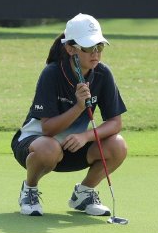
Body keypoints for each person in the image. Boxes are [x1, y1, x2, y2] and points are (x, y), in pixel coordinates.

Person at [11, 13, 128, 216]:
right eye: (89, 48)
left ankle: (84, 194)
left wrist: (85, 136)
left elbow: (115, 122)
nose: (96, 54)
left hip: (74, 145)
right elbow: (47, 129)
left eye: (99, 47)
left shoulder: (102, 73)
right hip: (36, 145)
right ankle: (29, 190)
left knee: (118, 145)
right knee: (49, 148)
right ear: (70, 48)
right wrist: (79, 107)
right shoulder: (52, 73)